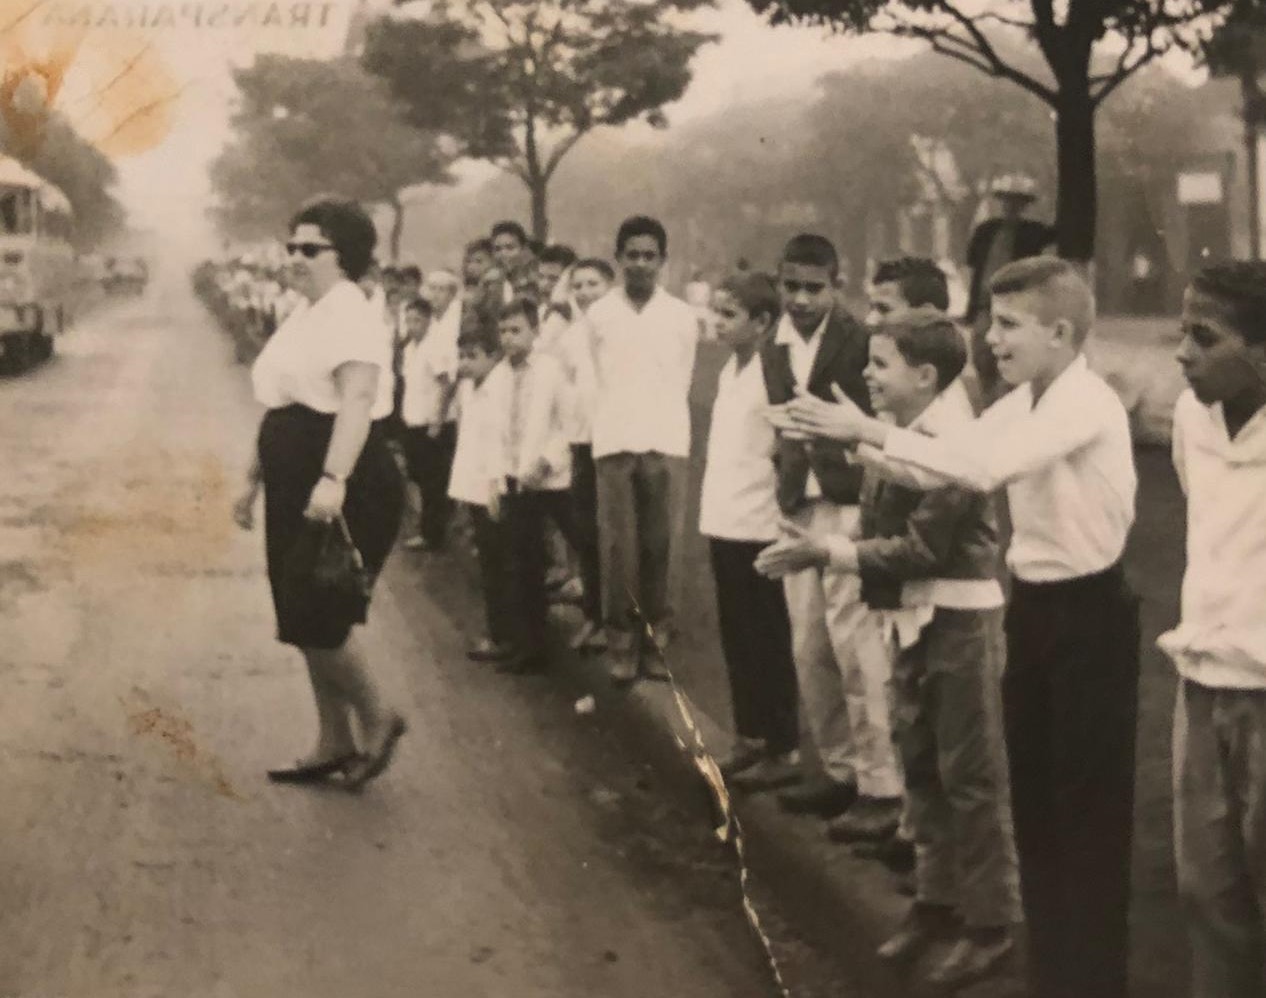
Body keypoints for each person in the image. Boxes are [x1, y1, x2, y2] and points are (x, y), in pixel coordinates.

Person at [779, 256, 1139, 998]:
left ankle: (1074, 969)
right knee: (1028, 797)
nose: (991, 340)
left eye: (1008, 325)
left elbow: (980, 472)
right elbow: (946, 463)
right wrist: (866, 437)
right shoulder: (1026, 398)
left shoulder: (1084, 402)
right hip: (1038, 606)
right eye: (990, 322)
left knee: (1076, 807)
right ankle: (1032, 955)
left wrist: (866, 429)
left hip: (1089, 613)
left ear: (1062, 331)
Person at [758, 310, 1020, 988]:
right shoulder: (912, 434)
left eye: (880, 365)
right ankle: (937, 901)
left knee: (970, 777)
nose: (867, 376)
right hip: (915, 620)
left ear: (925, 374)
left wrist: (830, 551)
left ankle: (991, 924)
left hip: (959, 624)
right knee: (923, 768)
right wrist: (859, 449)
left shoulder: (953, 442)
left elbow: (923, 548)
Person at [232, 195, 407, 792]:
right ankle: (333, 738)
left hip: (343, 477)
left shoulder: (350, 312)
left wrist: (334, 480)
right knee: (297, 610)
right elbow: (281, 405)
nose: (297, 258)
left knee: (317, 615)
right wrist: (252, 480)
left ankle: (377, 717)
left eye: (312, 249)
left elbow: (355, 401)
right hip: (294, 478)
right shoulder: (307, 313)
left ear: (346, 255)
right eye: (293, 247)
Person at [761, 233, 903, 829]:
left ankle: (879, 784)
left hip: (848, 506)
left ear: (836, 286)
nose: (800, 299)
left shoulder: (861, 340)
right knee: (809, 645)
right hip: (800, 507)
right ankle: (840, 770)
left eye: (813, 288)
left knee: (857, 649)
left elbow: (879, 419)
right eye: (790, 286)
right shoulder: (775, 344)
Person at [1162, 261, 1266, 998]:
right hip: (1199, 687)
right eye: (1181, 332)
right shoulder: (1189, 418)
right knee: (1207, 893)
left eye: (1205, 337)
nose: (1183, 353)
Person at [586, 216, 699, 685]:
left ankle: (657, 641)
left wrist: (659, 426)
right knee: (620, 548)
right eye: (631, 255)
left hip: (666, 438)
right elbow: (595, 378)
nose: (640, 264)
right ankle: (620, 642)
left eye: (649, 256)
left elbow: (683, 378)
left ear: (662, 261)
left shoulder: (681, 316)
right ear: (618, 259)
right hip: (614, 440)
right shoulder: (599, 314)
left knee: (662, 546)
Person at [701, 272, 800, 792]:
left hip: (760, 522)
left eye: (728, 315)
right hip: (725, 517)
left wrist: (784, 506)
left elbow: (789, 445)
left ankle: (782, 745)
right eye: (716, 312)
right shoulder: (729, 370)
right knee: (737, 633)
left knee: (767, 635)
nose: (717, 323)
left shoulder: (773, 372)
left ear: (762, 323)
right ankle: (751, 736)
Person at [485, 296, 576, 675]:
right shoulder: (498, 376)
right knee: (521, 563)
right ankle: (527, 644)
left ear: (535, 332)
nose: (509, 338)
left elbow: (569, 423)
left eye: (517, 330)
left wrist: (547, 460)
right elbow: (493, 433)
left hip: (551, 479)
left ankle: (586, 624)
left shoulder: (551, 371)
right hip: (516, 480)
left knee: (566, 547)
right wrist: (495, 479)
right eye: (503, 331)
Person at [556, 258, 615, 653]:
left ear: (609, 287)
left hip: (618, 442)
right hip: (581, 441)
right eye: (578, 285)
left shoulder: (622, 330)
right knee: (586, 531)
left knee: (620, 535)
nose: (584, 292)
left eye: (593, 284)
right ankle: (595, 613)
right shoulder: (570, 336)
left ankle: (623, 622)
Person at [448, 317, 513, 664]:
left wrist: (495, 487)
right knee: (489, 564)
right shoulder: (470, 387)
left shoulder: (502, 387)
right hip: (473, 486)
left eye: (471, 356)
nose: (464, 364)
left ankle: (503, 636)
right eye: (461, 356)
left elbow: (500, 441)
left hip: (493, 488)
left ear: (493, 355)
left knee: (500, 565)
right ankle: (498, 631)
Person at [964, 174, 1055, 406]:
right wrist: (971, 303)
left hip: (1015, 304)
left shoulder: (1032, 232)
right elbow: (973, 268)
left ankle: (1006, 406)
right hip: (985, 304)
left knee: (1010, 356)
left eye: (1017, 203)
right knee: (983, 355)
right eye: (1007, 201)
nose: (1011, 207)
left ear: (1024, 206)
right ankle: (988, 406)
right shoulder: (986, 230)